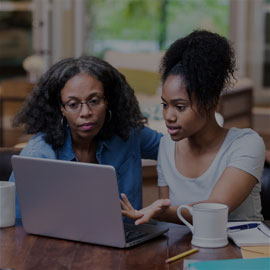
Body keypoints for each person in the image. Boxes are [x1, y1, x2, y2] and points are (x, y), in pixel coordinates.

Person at [121, 30, 265, 224]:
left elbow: (217, 208)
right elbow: (168, 214)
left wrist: (158, 212)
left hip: (243, 251)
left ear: (211, 102)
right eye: (165, 105)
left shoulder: (246, 143)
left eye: (180, 107)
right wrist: (160, 212)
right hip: (188, 249)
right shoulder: (166, 146)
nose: (169, 116)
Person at [9, 56, 162, 218]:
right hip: (60, 242)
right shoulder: (38, 154)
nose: (86, 113)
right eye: (73, 104)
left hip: (130, 238)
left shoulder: (129, 134)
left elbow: (176, 148)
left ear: (108, 100)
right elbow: (15, 223)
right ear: (61, 108)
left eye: (94, 101)